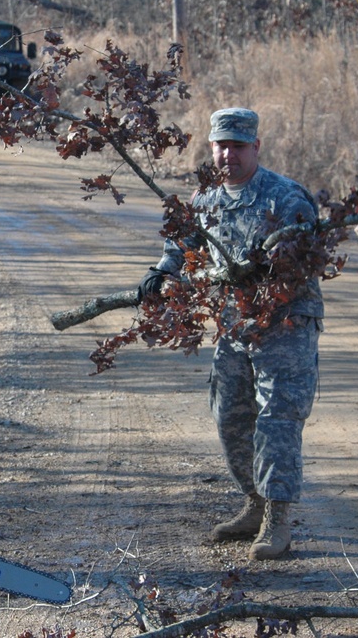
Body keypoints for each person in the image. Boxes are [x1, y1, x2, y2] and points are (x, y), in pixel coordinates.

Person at [139, 107, 323, 560]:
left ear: (255, 147)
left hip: (285, 326)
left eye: (238, 146)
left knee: (277, 419)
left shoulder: (285, 198)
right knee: (229, 416)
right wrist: (162, 274)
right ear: (211, 147)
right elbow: (182, 248)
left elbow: (305, 263)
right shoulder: (206, 200)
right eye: (221, 145)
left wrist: (259, 275)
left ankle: (278, 521)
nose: (228, 155)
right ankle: (255, 502)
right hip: (235, 326)